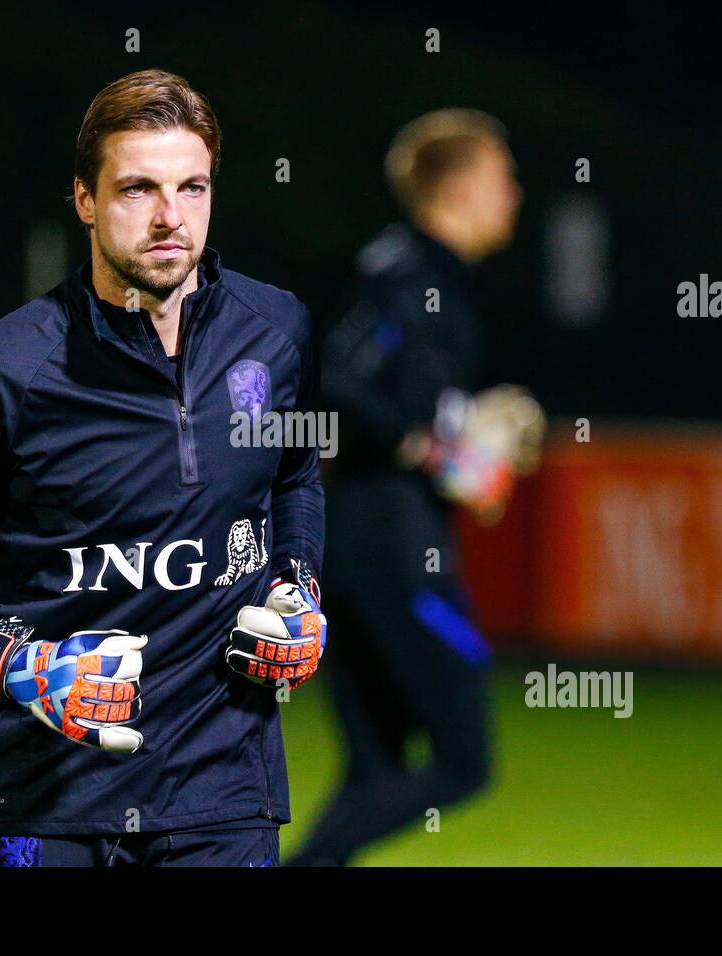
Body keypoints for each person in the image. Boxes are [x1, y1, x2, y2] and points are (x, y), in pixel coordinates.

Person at [0, 69, 326, 867]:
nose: (172, 218)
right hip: (44, 802)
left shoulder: (276, 332)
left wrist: (298, 589)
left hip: (224, 792)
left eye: (193, 187)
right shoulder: (4, 371)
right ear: (84, 200)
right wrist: (13, 663)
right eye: (138, 189)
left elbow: (294, 479)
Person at [288, 109, 526, 866]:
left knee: (377, 770)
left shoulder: (401, 272)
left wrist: (448, 452)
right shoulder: (415, 278)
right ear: (456, 189)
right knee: (464, 762)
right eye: (500, 177)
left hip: (351, 540)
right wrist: (429, 446)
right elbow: (340, 378)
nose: (514, 194)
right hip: (393, 550)